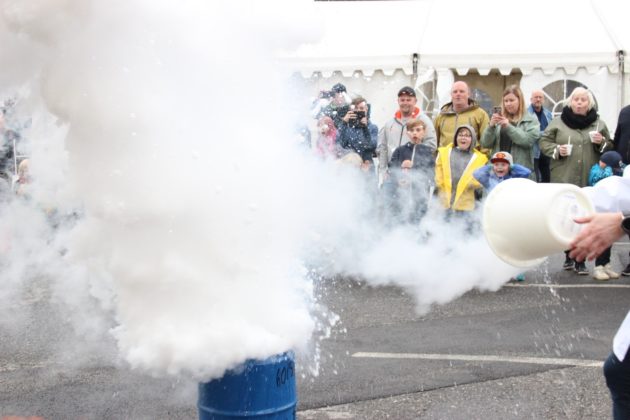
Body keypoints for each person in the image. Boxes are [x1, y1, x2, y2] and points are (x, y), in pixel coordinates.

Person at [540, 86, 614, 275]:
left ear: (589, 104)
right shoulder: (558, 122)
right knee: (567, 217)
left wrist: (601, 143)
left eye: (583, 100)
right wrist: (557, 151)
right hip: (564, 176)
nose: (580, 103)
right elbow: (544, 143)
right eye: (576, 99)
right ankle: (569, 256)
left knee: (585, 217)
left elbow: (610, 147)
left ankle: (580, 260)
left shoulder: (598, 123)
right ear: (570, 102)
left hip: (589, 178)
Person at [377, 86, 436, 183]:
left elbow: (431, 146)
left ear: (415, 101)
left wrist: (414, 163)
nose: (405, 103)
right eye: (402, 100)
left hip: (415, 176)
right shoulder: (389, 124)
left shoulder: (424, 121)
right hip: (393, 174)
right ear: (398, 101)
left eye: (409, 100)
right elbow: (382, 148)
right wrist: (383, 170)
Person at [480, 85, 539, 179]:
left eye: (511, 100)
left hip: (519, 173)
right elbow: (485, 144)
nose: (508, 104)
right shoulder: (498, 120)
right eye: (506, 101)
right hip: (498, 172)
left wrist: (508, 127)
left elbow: (527, 141)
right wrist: (490, 126)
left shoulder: (531, 120)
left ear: (520, 101)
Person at [386, 119, 435, 224]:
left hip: (420, 196)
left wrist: (415, 167)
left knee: (418, 221)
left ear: (424, 132)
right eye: (412, 130)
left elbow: (430, 172)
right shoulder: (400, 150)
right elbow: (392, 169)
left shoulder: (427, 151)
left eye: (418, 130)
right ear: (407, 133)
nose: (415, 133)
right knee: (400, 220)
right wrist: (399, 176)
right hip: (401, 195)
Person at [435, 124, 487, 215]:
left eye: (467, 136)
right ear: (456, 138)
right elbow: (438, 174)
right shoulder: (444, 153)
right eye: (461, 135)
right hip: (443, 203)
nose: (463, 138)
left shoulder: (480, 158)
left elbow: (480, 180)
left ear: (473, 139)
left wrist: (469, 184)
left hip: (465, 205)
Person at [587, 151, 624, 280]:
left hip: (611, 209)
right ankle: (598, 267)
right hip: (601, 211)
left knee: (609, 240)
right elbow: (595, 181)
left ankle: (606, 265)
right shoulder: (596, 172)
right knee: (602, 239)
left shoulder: (614, 173)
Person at [434, 81, 489, 148]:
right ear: (451, 95)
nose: (458, 94)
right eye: (455, 92)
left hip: (471, 157)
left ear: (468, 94)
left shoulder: (480, 114)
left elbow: (486, 141)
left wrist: (483, 157)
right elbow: (434, 141)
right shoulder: (441, 116)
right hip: (445, 157)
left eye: (462, 91)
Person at [337, 96, 378, 172]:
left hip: (367, 167)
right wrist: (344, 123)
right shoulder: (347, 127)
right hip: (350, 167)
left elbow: (371, 146)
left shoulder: (372, 127)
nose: (359, 111)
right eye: (356, 108)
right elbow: (342, 144)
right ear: (351, 110)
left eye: (362, 108)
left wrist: (365, 128)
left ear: (366, 110)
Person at [527, 89, 553, 183]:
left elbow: (552, 130)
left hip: (545, 150)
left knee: (547, 177)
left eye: (540, 97)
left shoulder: (548, 114)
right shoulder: (526, 114)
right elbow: (529, 133)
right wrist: (544, 133)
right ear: (531, 99)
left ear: (543, 100)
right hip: (533, 150)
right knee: (534, 177)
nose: (538, 99)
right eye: (535, 97)